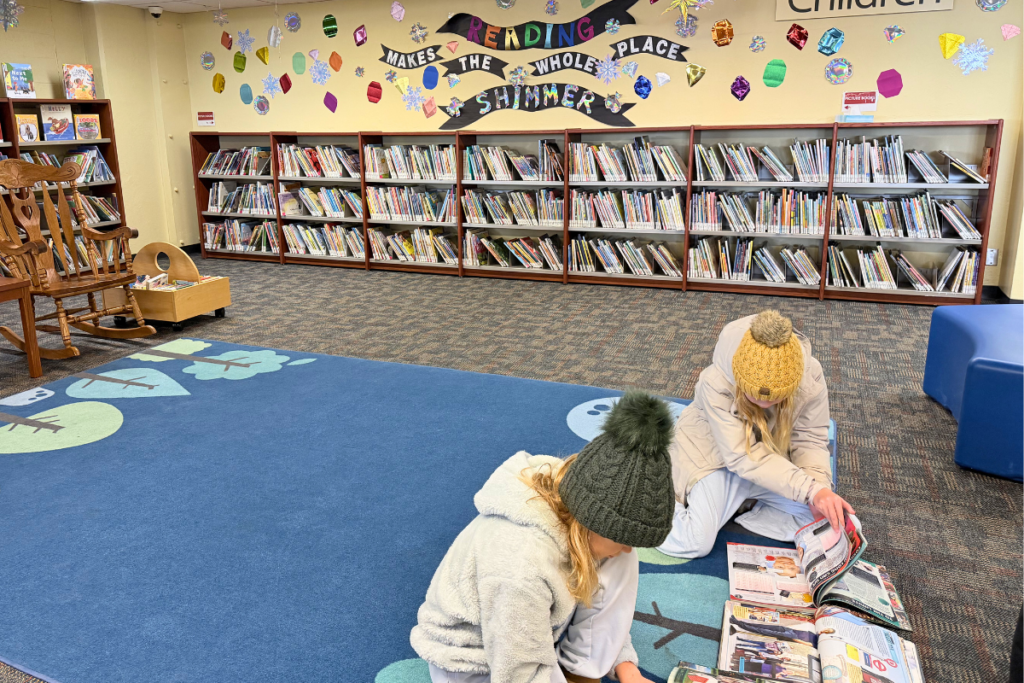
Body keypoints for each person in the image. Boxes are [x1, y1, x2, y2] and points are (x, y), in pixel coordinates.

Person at [411, 391, 677, 683]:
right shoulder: (520, 564)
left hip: (537, 631)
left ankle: (582, 667)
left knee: (621, 560)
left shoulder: (583, 511)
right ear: (591, 522)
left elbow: (610, 588)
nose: (628, 548)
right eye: (623, 538)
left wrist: (629, 671)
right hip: (474, 658)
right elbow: (517, 672)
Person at [659, 310, 855, 559]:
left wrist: (819, 489)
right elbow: (741, 456)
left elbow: (811, 439)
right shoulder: (715, 382)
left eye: (775, 397)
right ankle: (650, 497)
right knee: (695, 541)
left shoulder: (810, 375)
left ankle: (743, 509)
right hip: (717, 460)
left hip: (771, 462)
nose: (766, 403)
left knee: (828, 521)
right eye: (754, 394)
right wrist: (809, 490)